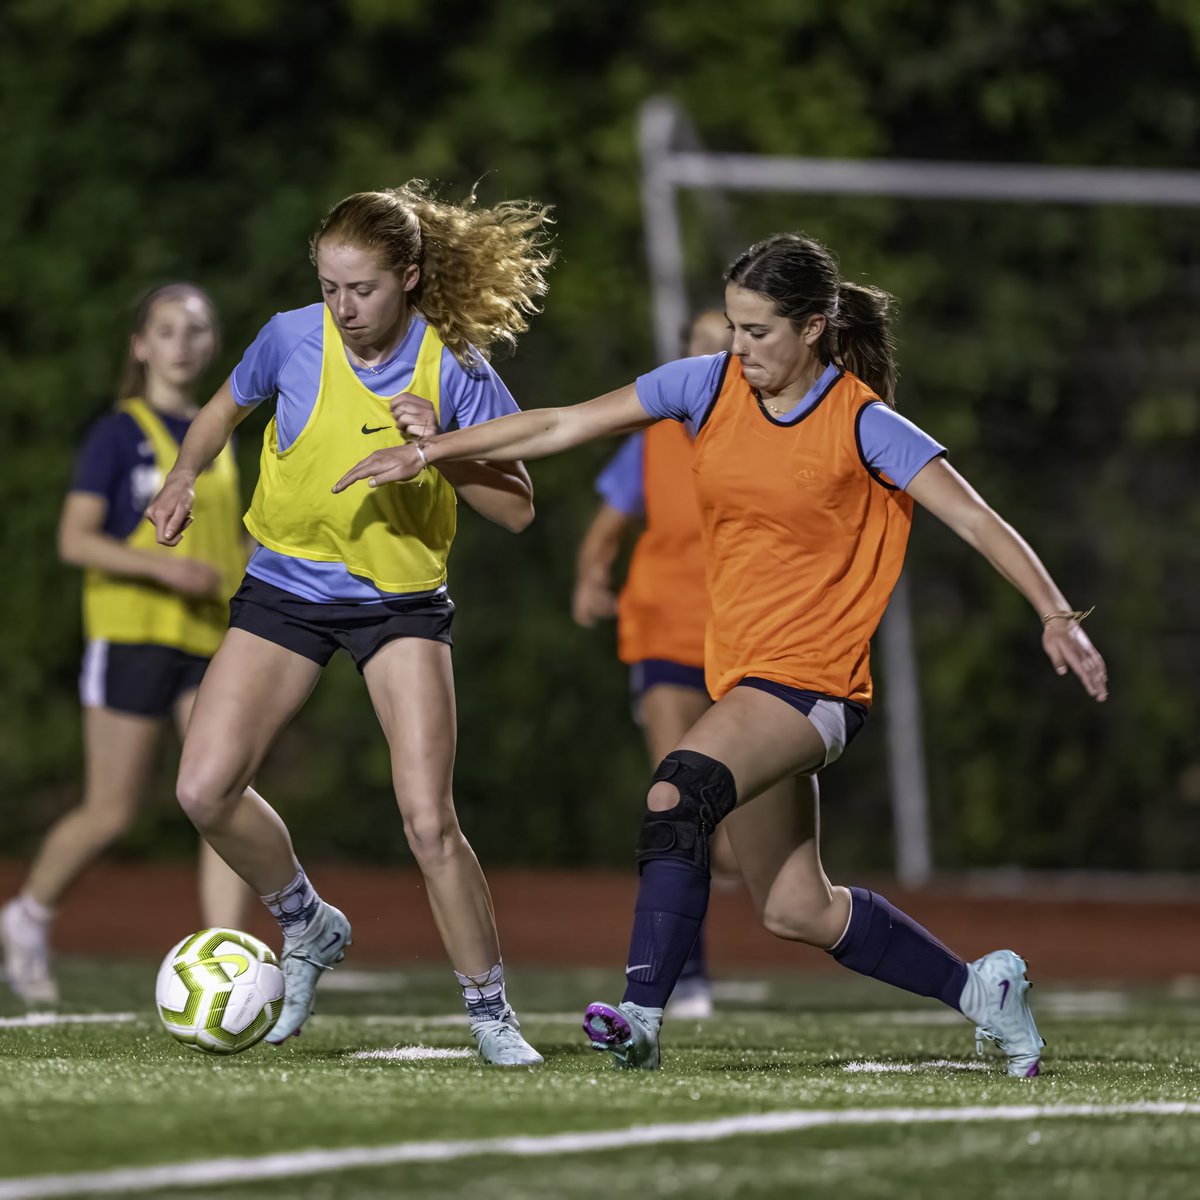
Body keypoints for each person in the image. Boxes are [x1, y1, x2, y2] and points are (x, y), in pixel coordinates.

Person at [333, 232, 1109, 1079]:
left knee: (678, 791)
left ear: (813, 328)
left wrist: (1055, 614)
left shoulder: (863, 423)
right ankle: (984, 992)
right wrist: (434, 449)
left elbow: (976, 519)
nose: (739, 347)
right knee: (796, 907)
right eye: (734, 327)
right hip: (743, 677)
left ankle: (640, 1016)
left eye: (758, 331)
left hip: (815, 684)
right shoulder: (707, 386)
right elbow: (563, 422)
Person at [146, 183, 554, 1066]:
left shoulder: (454, 364)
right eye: (330, 287)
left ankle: (491, 1013)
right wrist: (182, 477)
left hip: (397, 604)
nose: (344, 307)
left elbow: (519, 509)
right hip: (284, 587)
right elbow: (222, 409)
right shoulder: (291, 337)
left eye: (361, 288)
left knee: (427, 820)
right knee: (203, 790)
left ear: (408, 277)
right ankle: (307, 921)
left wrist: (439, 446)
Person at [1, 283, 252, 1007]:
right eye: (166, 330)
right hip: (134, 634)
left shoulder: (218, 434)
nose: (182, 343)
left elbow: (231, 544)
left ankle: (229, 963)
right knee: (111, 811)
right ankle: (28, 916)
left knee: (223, 798)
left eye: (196, 330)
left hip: (209, 641)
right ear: (140, 345)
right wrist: (165, 569)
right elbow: (74, 539)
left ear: (212, 343)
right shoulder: (119, 432)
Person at [573, 308, 740, 1019]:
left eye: (730, 347)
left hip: (744, 643)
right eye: (703, 349)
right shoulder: (652, 440)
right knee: (675, 800)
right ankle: (683, 977)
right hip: (663, 634)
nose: (717, 361)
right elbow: (606, 527)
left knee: (736, 843)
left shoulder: (765, 433)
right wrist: (591, 576)